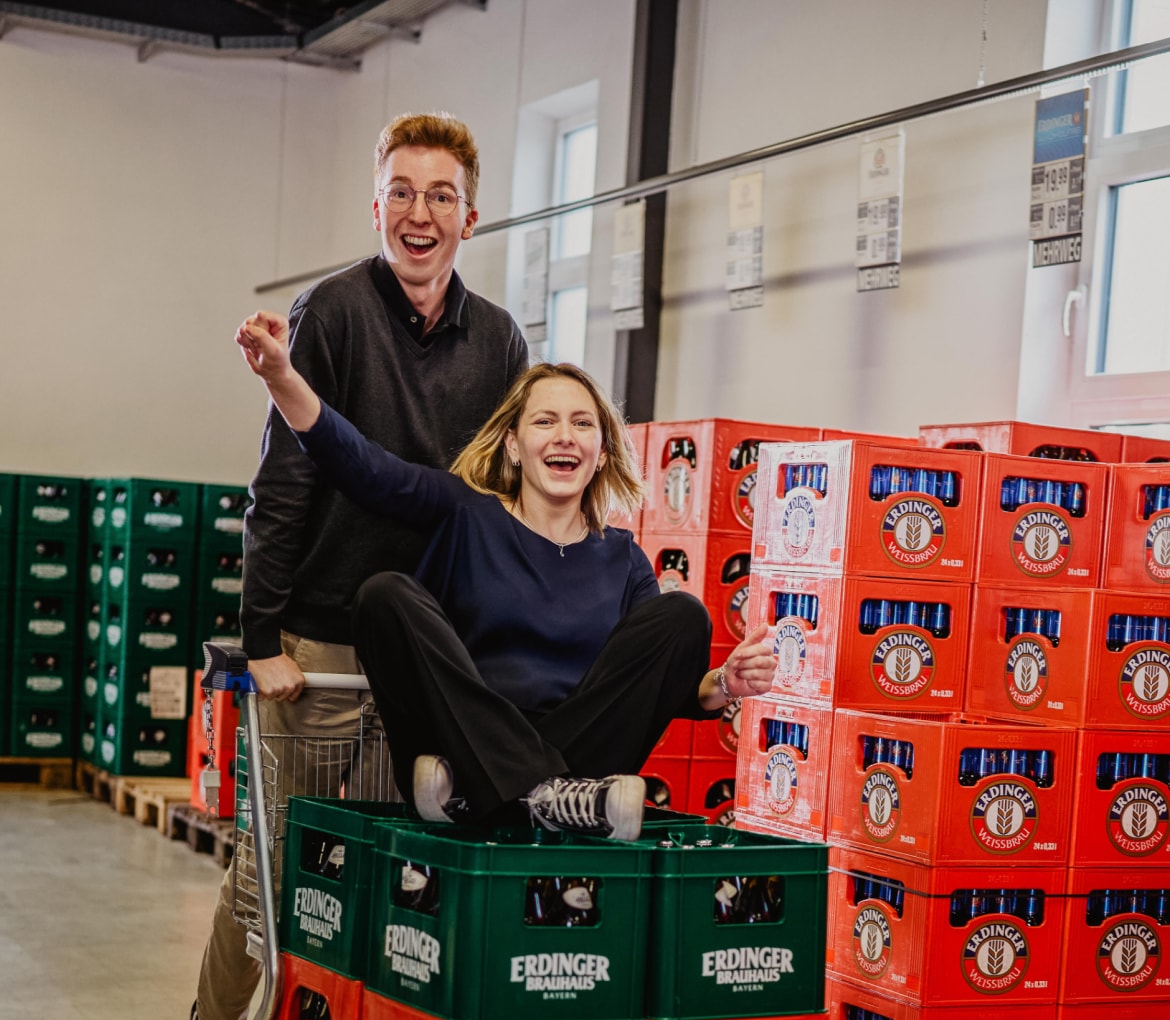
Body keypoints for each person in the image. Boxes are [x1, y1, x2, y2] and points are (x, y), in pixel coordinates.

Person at [167, 112, 529, 1020]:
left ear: (471, 215)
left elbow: (490, 504)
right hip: (318, 644)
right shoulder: (328, 313)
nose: (421, 214)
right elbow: (282, 484)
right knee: (276, 865)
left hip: (422, 647)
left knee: (384, 875)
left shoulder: (500, 339)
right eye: (402, 193)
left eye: (441, 195)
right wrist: (264, 640)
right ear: (376, 206)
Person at [233, 313, 776, 838]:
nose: (565, 436)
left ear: (601, 452)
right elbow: (359, 465)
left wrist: (726, 682)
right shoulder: (466, 513)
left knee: (683, 615)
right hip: (462, 747)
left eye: (582, 424)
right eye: (545, 421)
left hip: (524, 773)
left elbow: (664, 692)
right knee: (384, 595)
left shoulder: (624, 560)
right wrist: (282, 376)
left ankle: (523, 794)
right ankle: (542, 791)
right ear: (514, 445)